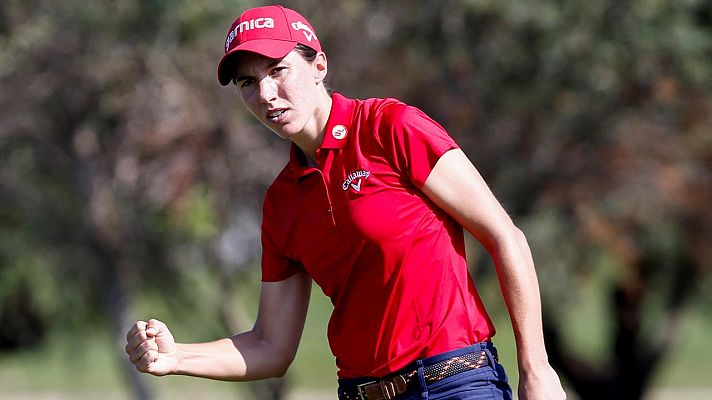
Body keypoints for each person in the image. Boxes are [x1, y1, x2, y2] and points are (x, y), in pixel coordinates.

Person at [125, 5, 566, 400]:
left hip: (454, 384)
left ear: (319, 65)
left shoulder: (390, 128)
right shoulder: (282, 202)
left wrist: (537, 369)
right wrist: (176, 356)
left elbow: (505, 237)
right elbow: (270, 346)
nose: (265, 96)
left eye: (278, 71)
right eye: (248, 82)